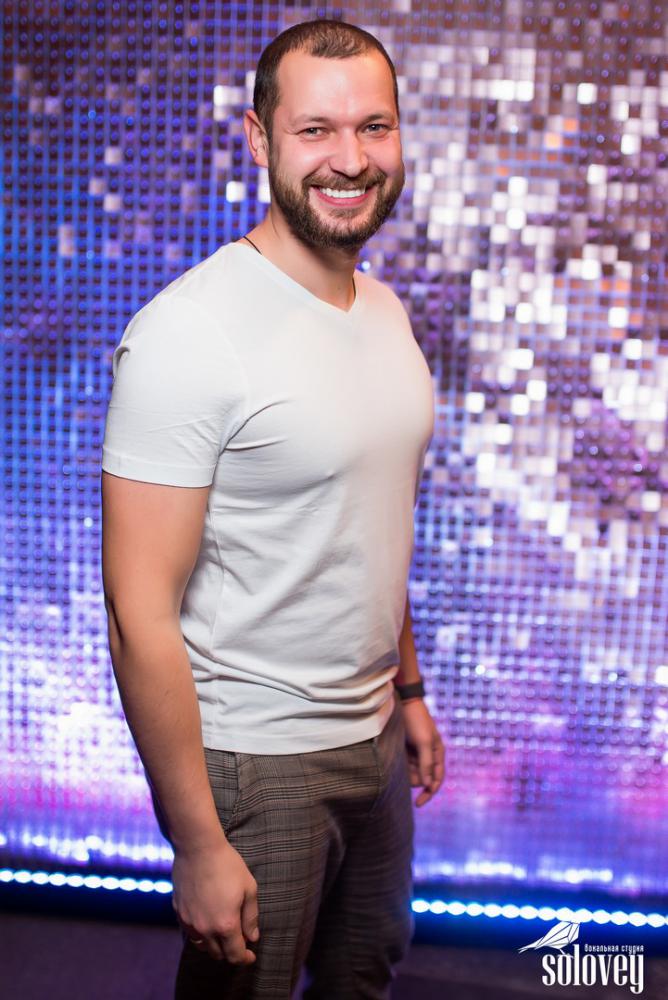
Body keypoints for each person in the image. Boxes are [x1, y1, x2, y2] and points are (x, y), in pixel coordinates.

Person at [100, 18, 445, 1000]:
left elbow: (364, 522)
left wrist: (408, 691)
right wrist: (197, 842)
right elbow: (136, 611)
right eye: (315, 130)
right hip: (258, 760)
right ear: (259, 139)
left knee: (362, 977)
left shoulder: (384, 310)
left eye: (373, 127)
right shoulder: (190, 334)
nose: (351, 159)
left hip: (374, 740)